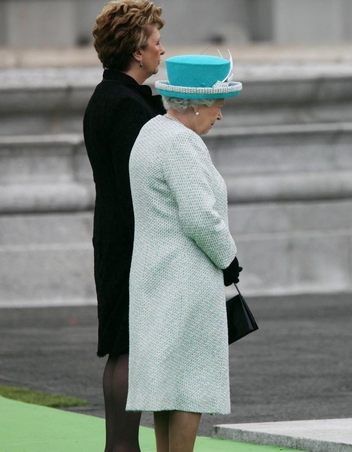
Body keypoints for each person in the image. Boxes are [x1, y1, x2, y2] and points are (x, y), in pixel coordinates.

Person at [126, 54, 243, 452]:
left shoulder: (151, 132)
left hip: (154, 274)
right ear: (195, 104)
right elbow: (200, 218)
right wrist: (229, 259)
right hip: (184, 281)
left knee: (165, 386)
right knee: (189, 387)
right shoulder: (181, 143)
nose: (220, 115)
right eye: (218, 105)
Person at [83, 1, 165, 451]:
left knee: (122, 345)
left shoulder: (107, 96)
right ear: (137, 50)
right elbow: (146, 180)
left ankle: (120, 446)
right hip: (133, 238)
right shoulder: (125, 104)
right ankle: (122, 447)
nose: (161, 49)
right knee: (129, 345)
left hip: (115, 234)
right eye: (155, 41)